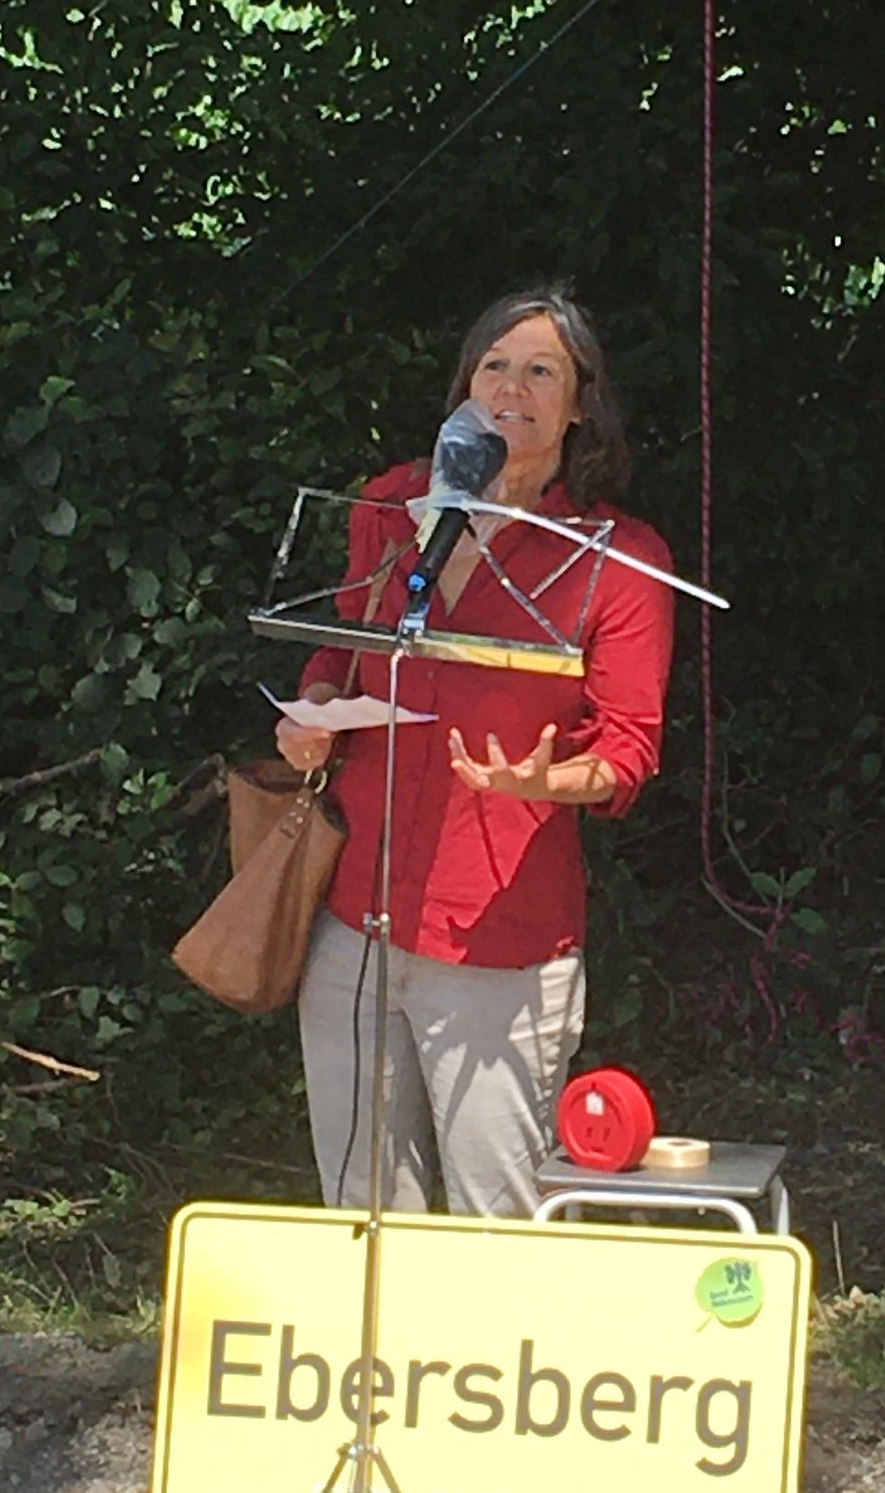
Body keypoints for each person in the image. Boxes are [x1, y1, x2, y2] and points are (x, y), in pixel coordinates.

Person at [277, 289, 675, 1218]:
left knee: (496, 1213)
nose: (512, 388)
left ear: (581, 406)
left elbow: (628, 750)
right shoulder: (393, 507)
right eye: (494, 365)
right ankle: (381, 1370)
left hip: (497, 936)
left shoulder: (620, 557)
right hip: (355, 912)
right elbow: (344, 646)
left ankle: (497, 1368)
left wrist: (550, 782)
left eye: (543, 371)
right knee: (360, 1209)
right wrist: (313, 713)